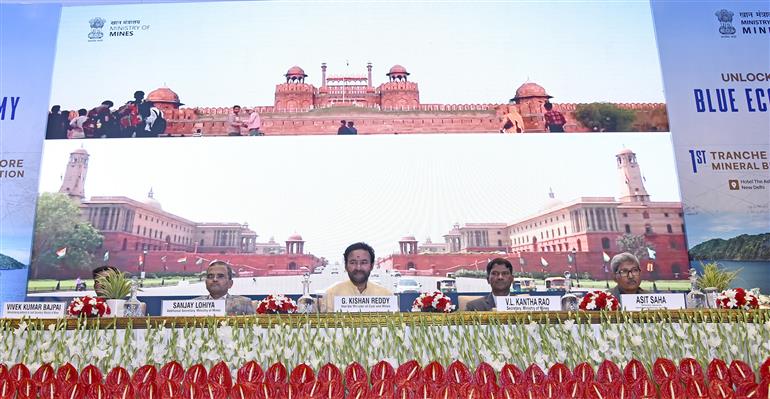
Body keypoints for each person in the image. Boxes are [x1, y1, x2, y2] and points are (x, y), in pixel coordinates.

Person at [322, 242, 391, 312]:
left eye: (363, 262)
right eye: (353, 262)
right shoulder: (331, 296)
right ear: (346, 266)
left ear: (371, 266)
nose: (358, 268)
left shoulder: (386, 295)